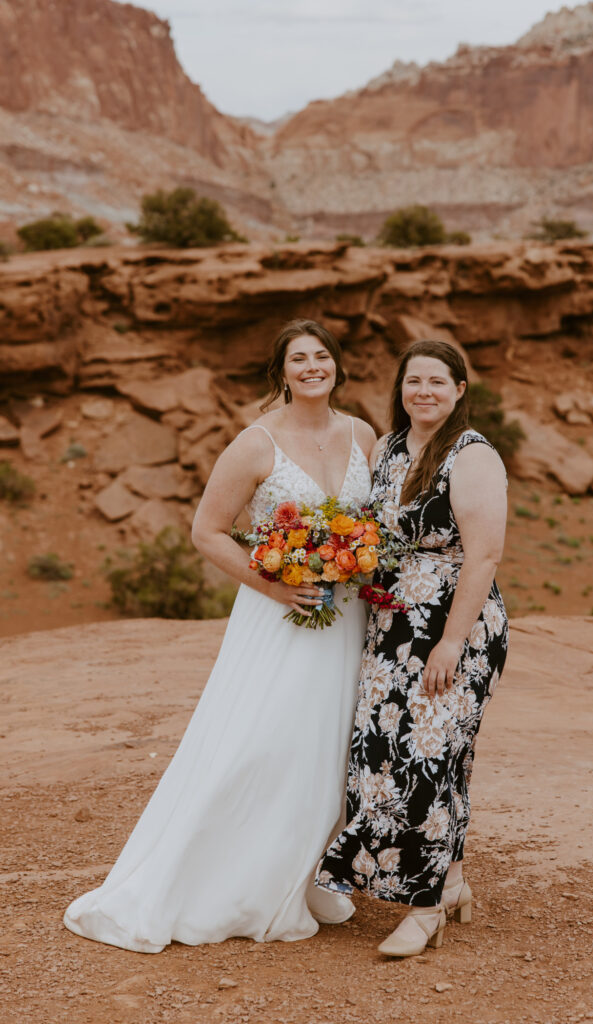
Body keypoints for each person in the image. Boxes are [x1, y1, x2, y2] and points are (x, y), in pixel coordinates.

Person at [63, 319, 375, 951]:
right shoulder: (255, 444)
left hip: (345, 618)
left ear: (337, 367)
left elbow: (373, 522)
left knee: (324, 746)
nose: (312, 367)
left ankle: (296, 877)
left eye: (322, 357)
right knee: (258, 741)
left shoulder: (364, 433)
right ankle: (212, 883)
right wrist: (277, 585)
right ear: (281, 373)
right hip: (278, 614)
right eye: (298, 359)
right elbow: (207, 531)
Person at [316, 339, 508, 957]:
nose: (423, 391)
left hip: (455, 627)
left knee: (423, 758)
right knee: (389, 751)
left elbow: (483, 556)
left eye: (436, 381)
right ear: (400, 389)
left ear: (458, 390)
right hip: (392, 627)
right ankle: (449, 880)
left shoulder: (472, 455)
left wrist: (451, 641)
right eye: (412, 381)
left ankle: (422, 912)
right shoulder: (392, 449)